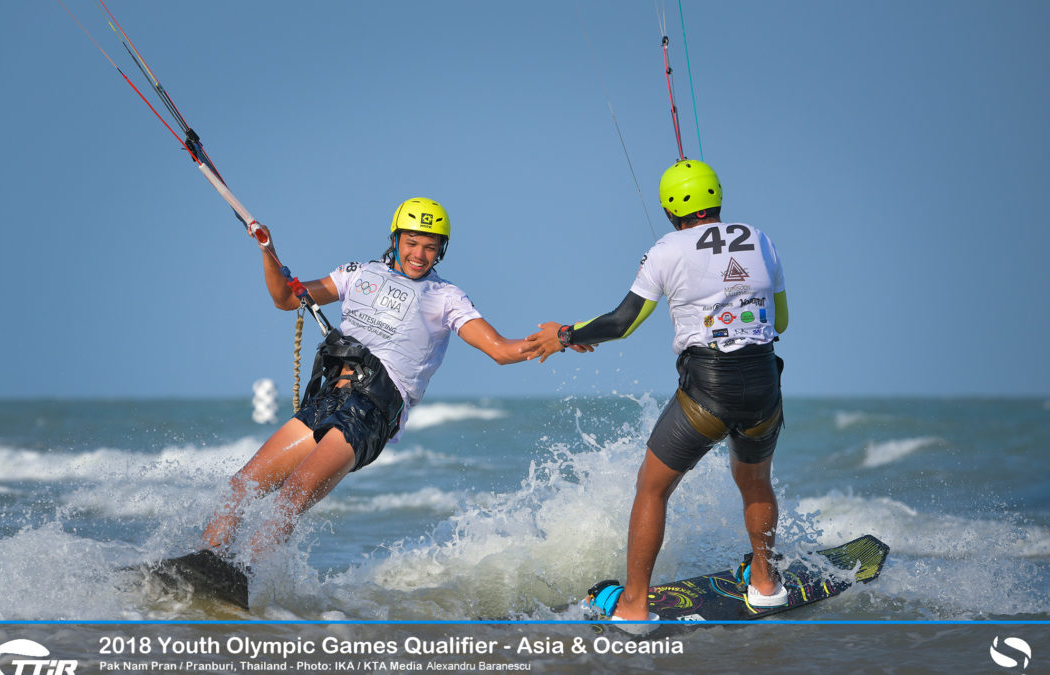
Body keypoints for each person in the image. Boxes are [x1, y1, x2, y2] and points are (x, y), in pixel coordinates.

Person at [199, 197, 578, 570]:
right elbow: (285, 298)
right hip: (327, 399)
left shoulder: (446, 298)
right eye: (411, 243)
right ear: (395, 239)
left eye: (430, 247)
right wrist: (268, 249)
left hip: (369, 413)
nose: (419, 254)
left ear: (441, 251)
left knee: (290, 499)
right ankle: (201, 566)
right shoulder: (357, 274)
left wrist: (558, 339)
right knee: (241, 487)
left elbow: (500, 349)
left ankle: (241, 578)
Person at [523, 159, 789, 621]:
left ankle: (633, 604)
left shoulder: (667, 248)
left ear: (670, 209)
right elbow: (780, 322)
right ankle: (765, 583)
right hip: (765, 386)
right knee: (756, 481)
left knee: (652, 488)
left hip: (708, 389)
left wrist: (566, 334)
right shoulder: (760, 238)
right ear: (718, 199)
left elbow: (623, 323)